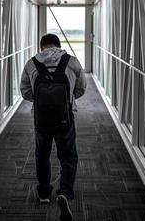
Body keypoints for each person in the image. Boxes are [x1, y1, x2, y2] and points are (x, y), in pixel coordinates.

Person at [20, 33, 86, 221]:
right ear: (58, 45)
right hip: (65, 118)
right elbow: (81, 88)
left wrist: (42, 102)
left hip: (41, 119)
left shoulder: (32, 63)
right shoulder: (71, 61)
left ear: (42, 47)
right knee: (69, 156)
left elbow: (25, 91)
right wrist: (65, 101)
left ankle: (43, 193)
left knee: (42, 155)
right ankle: (64, 191)